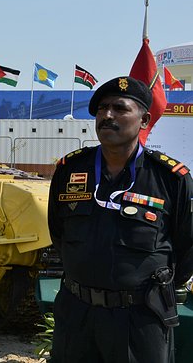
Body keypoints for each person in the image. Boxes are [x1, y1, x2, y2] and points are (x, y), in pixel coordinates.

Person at [48, 76, 193, 362]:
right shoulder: (70, 170)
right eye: (102, 109)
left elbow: (187, 248)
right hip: (77, 315)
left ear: (144, 119)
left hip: (139, 319)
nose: (107, 115)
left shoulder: (170, 178)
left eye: (119, 108)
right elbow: (58, 233)